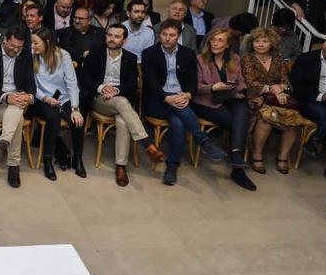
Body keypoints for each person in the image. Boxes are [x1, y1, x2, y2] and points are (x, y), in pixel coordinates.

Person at [141, 20, 228, 186]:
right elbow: (150, 83)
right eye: (164, 34)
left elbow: (192, 82)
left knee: (179, 123)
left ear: (178, 36)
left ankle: (172, 167)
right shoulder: (149, 53)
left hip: (181, 99)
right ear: (159, 35)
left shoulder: (187, 54)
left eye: (172, 35)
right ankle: (202, 140)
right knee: (181, 115)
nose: (167, 38)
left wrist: (188, 94)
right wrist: (167, 97)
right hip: (158, 100)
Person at [80, 24, 165, 185]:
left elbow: (132, 84)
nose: (112, 39)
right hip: (100, 99)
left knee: (123, 121)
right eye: (109, 35)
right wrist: (102, 87)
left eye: (117, 36)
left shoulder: (130, 58)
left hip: (119, 99)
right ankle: (148, 144)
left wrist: (116, 91)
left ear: (124, 40)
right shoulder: (95, 53)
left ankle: (121, 166)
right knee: (124, 104)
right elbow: (84, 78)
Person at [193, 28, 255, 190]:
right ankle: (238, 165)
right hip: (206, 101)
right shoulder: (200, 59)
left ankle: (236, 158)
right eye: (213, 40)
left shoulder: (235, 59)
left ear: (227, 44)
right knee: (240, 121)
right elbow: (196, 87)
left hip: (229, 98)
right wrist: (213, 87)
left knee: (242, 107)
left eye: (220, 40)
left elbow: (240, 81)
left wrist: (241, 91)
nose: (215, 43)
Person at [0, 25, 35, 187]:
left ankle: (5, 138)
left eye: (19, 47)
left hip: (19, 100)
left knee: (16, 108)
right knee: (17, 116)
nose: (15, 50)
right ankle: (13, 166)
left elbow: (30, 81)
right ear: (5, 40)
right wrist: (6, 96)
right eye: (12, 46)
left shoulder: (25, 56)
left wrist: (29, 96)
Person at [242, 27, 304, 176]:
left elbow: (287, 84)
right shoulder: (247, 59)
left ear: (272, 43)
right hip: (255, 97)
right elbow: (250, 83)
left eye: (265, 41)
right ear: (252, 43)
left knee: (293, 119)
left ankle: (282, 157)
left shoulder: (278, 60)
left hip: (277, 98)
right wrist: (272, 89)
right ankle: (256, 154)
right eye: (257, 41)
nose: (260, 44)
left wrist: (280, 87)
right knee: (267, 118)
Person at [31, 27, 86, 180]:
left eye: (35, 43)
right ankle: (47, 160)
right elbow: (31, 85)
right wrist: (45, 98)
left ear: (47, 42)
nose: (32, 46)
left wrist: (75, 108)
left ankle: (77, 159)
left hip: (64, 98)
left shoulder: (63, 56)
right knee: (53, 118)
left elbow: (71, 83)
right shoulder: (32, 56)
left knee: (77, 121)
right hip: (42, 99)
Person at [291, 31, 326, 185]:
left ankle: (316, 138)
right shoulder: (306, 59)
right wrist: (321, 96)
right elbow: (297, 86)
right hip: (311, 100)